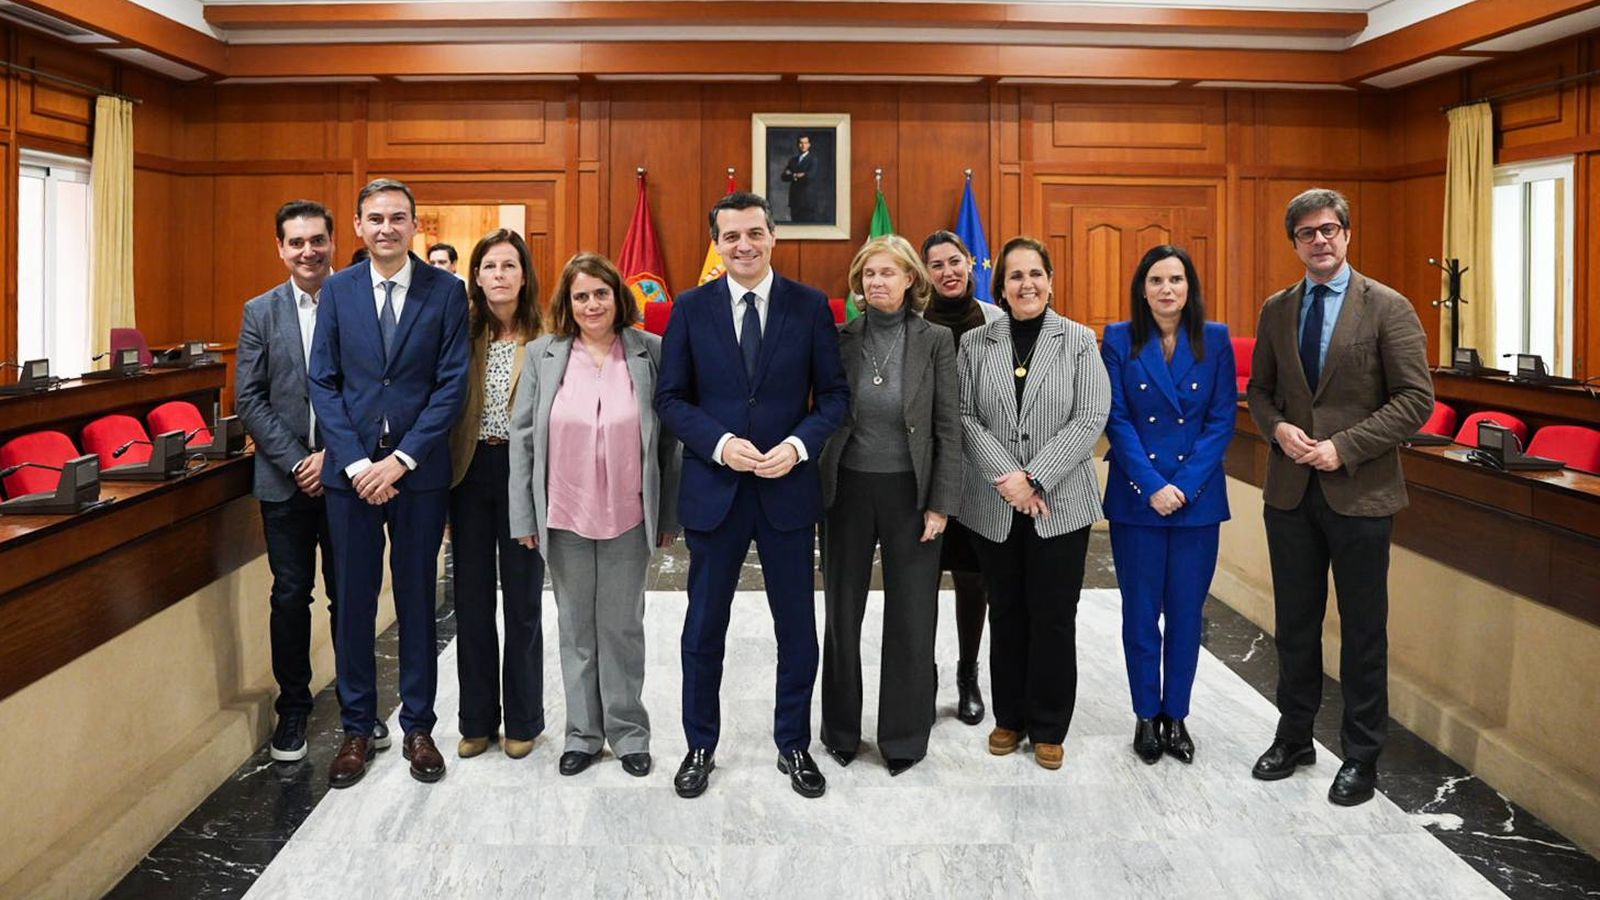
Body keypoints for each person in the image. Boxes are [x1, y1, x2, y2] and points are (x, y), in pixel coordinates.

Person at [654, 191, 849, 799]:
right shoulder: (689, 308)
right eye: (731, 235)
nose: (743, 244)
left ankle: (793, 743)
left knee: (797, 629)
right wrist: (717, 444)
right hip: (716, 490)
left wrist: (797, 446)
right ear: (716, 242)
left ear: (773, 236)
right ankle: (700, 744)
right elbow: (670, 399)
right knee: (703, 627)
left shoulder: (810, 306)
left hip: (787, 489)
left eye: (754, 233)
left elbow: (836, 398)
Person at [1246, 188, 1433, 806]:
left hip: (1362, 494)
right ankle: (1294, 736)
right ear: (1294, 243)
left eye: (1329, 230)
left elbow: (1414, 400)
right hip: (1291, 493)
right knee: (1295, 625)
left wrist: (1343, 447)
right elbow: (1262, 392)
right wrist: (1275, 427)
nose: (1319, 240)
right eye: (1306, 233)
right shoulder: (1277, 309)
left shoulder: (1388, 307)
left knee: (1362, 631)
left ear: (1347, 234)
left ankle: (1360, 755)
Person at [310, 178, 470, 789]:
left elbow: (450, 385)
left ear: (413, 225)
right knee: (351, 601)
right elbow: (323, 381)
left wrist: (400, 460)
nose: (386, 228)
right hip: (350, 476)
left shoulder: (446, 292)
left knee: (416, 601)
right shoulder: (339, 290)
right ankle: (355, 726)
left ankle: (419, 726)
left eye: (397, 218)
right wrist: (354, 464)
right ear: (357, 226)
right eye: (374, 218)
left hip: (416, 473)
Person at [510, 252, 681, 780]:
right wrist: (523, 517)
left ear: (618, 297)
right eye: (580, 296)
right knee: (575, 627)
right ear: (567, 302)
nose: (591, 304)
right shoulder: (543, 354)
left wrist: (668, 515)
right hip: (563, 512)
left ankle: (629, 732)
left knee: (623, 627)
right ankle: (583, 734)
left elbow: (669, 443)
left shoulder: (650, 351)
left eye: (600, 293)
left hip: (630, 513)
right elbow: (522, 440)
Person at [237, 200, 392, 762]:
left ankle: (362, 705)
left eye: (317, 240)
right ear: (281, 248)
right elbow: (249, 398)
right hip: (284, 482)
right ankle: (294, 710)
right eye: (296, 242)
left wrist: (333, 457)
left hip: (349, 476)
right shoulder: (260, 312)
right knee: (289, 595)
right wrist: (297, 459)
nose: (308, 251)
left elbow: (376, 389)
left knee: (350, 596)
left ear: (332, 242)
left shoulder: (360, 301)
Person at [957, 236, 1109, 771]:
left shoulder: (1080, 342)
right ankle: (1009, 718)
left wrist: (1036, 477)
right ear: (1000, 286)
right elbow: (965, 416)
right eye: (1016, 276)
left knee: (1053, 614)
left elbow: (1091, 416)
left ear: (1051, 280)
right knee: (1007, 610)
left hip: (1060, 503)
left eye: (1035, 274)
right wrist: (1010, 479)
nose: (1027, 285)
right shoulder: (975, 343)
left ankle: (1048, 725)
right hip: (995, 503)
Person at [818, 235, 960, 776]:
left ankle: (903, 737)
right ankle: (841, 731)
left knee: (912, 615)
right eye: (868, 274)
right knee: (842, 612)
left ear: (910, 281)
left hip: (912, 494)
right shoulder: (840, 338)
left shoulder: (936, 341)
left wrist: (940, 503)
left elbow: (948, 427)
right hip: (847, 490)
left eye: (887, 272)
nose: (876, 282)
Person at [1101, 245, 1236, 766]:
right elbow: (1116, 417)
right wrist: (1153, 484)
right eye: (1156, 279)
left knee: (1185, 614)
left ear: (1189, 287)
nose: (1166, 289)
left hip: (1196, 501)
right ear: (1142, 288)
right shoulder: (1118, 338)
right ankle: (1144, 715)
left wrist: (1183, 484)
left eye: (1176, 280)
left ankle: (1175, 715)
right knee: (1140, 614)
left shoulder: (1216, 339)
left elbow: (1222, 419)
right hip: (1138, 499)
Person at [445, 229, 545, 762]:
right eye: (489, 266)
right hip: (470, 472)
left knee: (524, 602)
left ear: (524, 275)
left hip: (523, 475)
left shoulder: (548, 336)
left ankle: (524, 718)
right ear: (476, 276)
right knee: (473, 602)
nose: (499, 275)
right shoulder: (460, 334)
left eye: (509, 266)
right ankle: (477, 719)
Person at [920, 229, 1004, 726]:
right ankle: (922, 675)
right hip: (928, 472)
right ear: (925, 273)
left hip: (978, 473)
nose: (948, 271)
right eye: (937, 265)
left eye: (955, 261)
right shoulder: (914, 321)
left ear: (971, 263)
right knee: (922, 579)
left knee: (974, 580)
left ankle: (968, 673)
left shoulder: (996, 320)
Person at [780, 135, 817, 223]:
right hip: (794, 200)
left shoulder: (813, 160)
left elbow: (810, 176)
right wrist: (797, 175)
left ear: (809, 145)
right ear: (797, 144)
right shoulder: (793, 160)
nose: (803, 145)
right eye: (801, 143)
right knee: (795, 225)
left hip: (807, 200)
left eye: (805, 143)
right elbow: (784, 176)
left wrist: (792, 174)